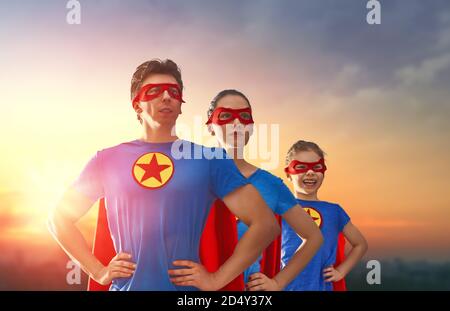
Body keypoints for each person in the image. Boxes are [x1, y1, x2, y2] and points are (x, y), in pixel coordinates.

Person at [47, 59, 280, 291]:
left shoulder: (209, 159)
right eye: (154, 91)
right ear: (136, 105)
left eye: (174, 92)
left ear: (180, 105)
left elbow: (265, 224)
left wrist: (216, 280)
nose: (166, 96)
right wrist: (99, 271)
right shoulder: (106, 160)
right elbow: (59, 218)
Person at [200, 90, 323, 291]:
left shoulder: (270, 184)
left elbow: (313, 237)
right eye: (226, 116)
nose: (237, 123)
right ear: (210, 126)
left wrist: (277, 282)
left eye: (244, 117)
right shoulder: (190, 175)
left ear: (251, 127)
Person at [282, 140, 368, 290]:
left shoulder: (334, 212)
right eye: (301, 167)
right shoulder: (280, 209)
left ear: (323, 172)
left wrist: (341, 271)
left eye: (316, 167)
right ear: (288, 174)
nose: (310, 172)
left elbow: (360, 244)